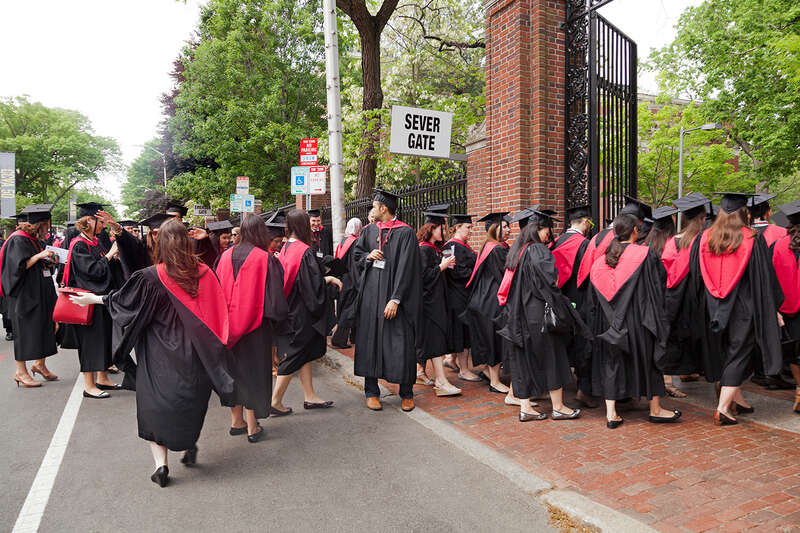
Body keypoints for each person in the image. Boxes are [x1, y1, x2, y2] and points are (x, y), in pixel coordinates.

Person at [70, 219, 234, 487]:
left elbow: (123, 301)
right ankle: (187, 443)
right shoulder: (204, 272)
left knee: (155, 406)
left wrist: (94, 299)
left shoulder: (151, 276)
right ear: (187, 241)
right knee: (190, 404)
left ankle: (161, 465)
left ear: (160, 243)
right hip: (196, 354)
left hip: (159, 355)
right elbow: (217, 311)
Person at [693, 193, 783, 425]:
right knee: (739, 353)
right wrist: (772, 307)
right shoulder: (751, 238)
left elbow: (695, 277)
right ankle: (723, 408)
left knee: (724, 352)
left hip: (712, 305)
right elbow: (764, 279)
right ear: (745, 213)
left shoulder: (704, 238)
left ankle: (737, 399)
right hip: (743, 307)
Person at [589, 213, 681, 429]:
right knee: (649, 360)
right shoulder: (645, 254)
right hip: (638, 321)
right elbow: (658, 287)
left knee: (612, 362)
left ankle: (611, 413)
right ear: (634, 231)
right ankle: (655, 409)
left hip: (610, 325)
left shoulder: (601, 261)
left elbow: (594, 299)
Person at [497, 209, 586, 422]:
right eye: (547, 229)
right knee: (553, 356)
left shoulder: (517, 250)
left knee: (525, 359)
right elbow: (550, 282)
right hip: (538, 314)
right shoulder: (537, 250)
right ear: (537, 229)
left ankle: (525, 407)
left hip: (520, 313)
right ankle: (559, 407)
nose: (549, 234)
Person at [217, 214, 288, 442]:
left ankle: (236, 422)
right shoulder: (265, 259)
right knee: (252, 376)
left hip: (226, 330)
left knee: (233, 374)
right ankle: (252, 426)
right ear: (261, 233)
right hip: (255, 330)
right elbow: (275, 302)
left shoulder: (225, 256)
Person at [352, 189, 423, 411]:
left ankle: (406, 392)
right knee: (370, 341)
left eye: (374, 206)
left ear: (383, 208)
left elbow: (408, 268)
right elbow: (356, 256)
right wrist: (367, 256)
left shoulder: (406, 233)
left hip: (395, 298)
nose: (372, 210)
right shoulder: (369, 231)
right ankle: (371, 391)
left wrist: (396, 299)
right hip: (372, 297)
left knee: (401, 344)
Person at [271, 209, 339, 415]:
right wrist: (327, 280)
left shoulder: (286, 247)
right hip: (301, 313)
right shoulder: (304, 251)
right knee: (295, 354)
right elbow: (312, 289)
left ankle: (310, 396)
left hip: (290, 308)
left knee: (305, 353)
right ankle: (275, 401)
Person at [64, 203, 121, 398]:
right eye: (100, 221)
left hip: (98, 299)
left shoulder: (94, 242)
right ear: (89, 220)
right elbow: (92, 272)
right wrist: (110, 255)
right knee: (90, 342)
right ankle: (89, 385)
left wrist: (112, 258)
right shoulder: (79, 244)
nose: (103, 226)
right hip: (86, 301)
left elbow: (101, 267)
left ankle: (102, 377)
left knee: (103, 338)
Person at [0, 206, 59, 387]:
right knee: (25, 332)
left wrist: (49, 261)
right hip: (25, 295)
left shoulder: (33, 240)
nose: (48, 228)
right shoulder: (17, 240)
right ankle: (20, 371)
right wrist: (40, 255)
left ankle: (39, 364)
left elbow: (35, 264)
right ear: (39, 224)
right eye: (46, 225)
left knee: (49, 326)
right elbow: (15, 268)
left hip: (41, 291)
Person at [661, 194, 710, 395]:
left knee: (671, 337)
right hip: (697, 296)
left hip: (674, 295)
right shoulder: (703, 240)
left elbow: (667, 267)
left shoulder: (674, 241)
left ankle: (668, 382)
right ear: (700, 219)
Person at [462, 212, 512, 397]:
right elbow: (504, 277)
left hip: (482, 299)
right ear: (494, 228)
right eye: (505, 226)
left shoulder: (488, 246)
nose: (508, 229)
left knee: (489, 339)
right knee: (493, 340)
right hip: (491, 301)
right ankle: (495, 381)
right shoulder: (497, 250)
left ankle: (488, 372)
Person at [748, 193, 793, 390]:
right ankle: (775, 372)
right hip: (778, 287)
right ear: (768, 212)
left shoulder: (746, 233)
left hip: (751, 288)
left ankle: (759, 372)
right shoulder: (781, 232)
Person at [550, 205, 594, 406]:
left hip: (559, 300)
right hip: (580, 300)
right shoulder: (584, 244)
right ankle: (583, 389)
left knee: (561, 341)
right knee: (582, 342)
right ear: (585, 222)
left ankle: (558, 383)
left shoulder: (556, 241)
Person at [416, 212, 461, 396]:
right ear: (431, 229)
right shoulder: (423, 249)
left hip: (437, 302)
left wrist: (447, 265)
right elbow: (423, 277)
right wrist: (441, 267)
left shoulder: (434, 248)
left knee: (435, 342)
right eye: (441, 228)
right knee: (434, 342)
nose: (444, 231)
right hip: (429, 304)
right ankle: (441, 381)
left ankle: (434, 377)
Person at [770, 200, 800, 413]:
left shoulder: (777, 245)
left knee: (793, 351)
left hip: (786, 307)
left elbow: (769, 280)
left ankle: (799, 390)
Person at [442, 215, 480, 381]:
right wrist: (476, 274)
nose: (471, 231)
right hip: (457, 295)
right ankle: (464, 370)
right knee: (462, 331)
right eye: (468, 227)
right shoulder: (450, 246)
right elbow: (453, 272)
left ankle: (451, 359)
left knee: (462, 330)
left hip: (464, 294)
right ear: (457, 227)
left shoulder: (463, 246)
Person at [330, 217, 363, 348]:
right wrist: (359, 283)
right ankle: (339, 339)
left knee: (345, 309)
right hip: (351, 281)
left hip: (342, 280)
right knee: (349, 312)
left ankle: (354, 337)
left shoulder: (343, 241)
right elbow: (354, 266)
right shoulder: (355, 243)